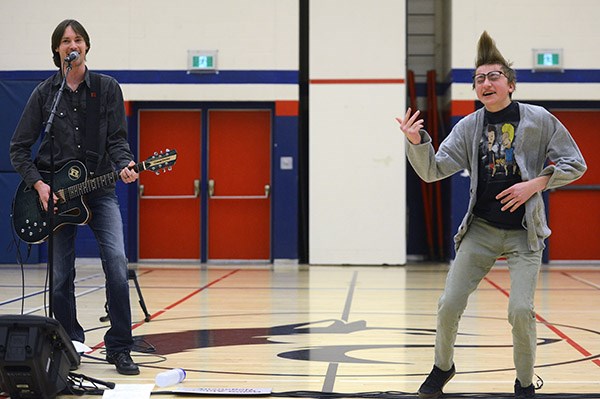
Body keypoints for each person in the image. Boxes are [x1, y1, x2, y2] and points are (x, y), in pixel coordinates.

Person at [396, 31, 586, 399]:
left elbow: (575, 163)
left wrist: (536, 184)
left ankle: (525, 383)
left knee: (519, 311)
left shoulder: (540, 119)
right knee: (448, 304)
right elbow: (433, 170)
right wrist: (417, 143)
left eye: (493, 76)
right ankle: (443, 367)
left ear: (510, 84)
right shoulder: (469, 127)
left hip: (523, 233)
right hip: (480, 230)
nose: (486, 83)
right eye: (479, 79)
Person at [9, 19, 140, 375]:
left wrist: (125, 163)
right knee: (62, 274)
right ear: (57, 50)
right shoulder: (44, 94)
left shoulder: (107, 88)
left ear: (87, 46)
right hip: (55, 196)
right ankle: (68, 343)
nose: (72, 45)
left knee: (116, 262)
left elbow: (117, 140)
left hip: (99, 190)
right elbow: (19, 148)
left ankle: (120, 347)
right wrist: (39, 185)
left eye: (78, 39)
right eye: (65, 41)